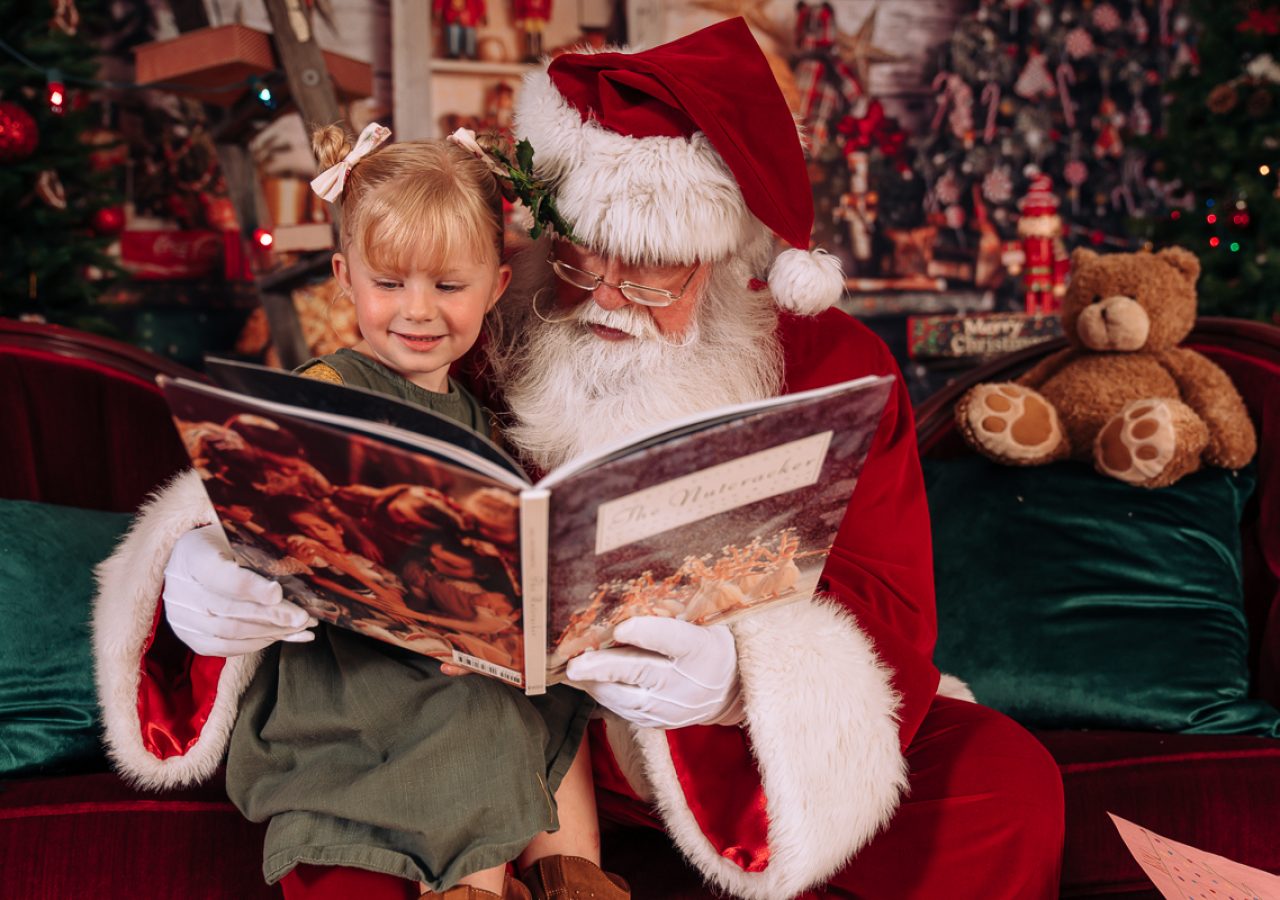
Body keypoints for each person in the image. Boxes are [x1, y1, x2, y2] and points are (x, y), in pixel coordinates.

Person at [93, 19, 1065, 899]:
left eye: (644, 269)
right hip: (496, 726)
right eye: (575, 255)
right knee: (362, 799)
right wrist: (196, 566)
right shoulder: (488, 316)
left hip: (716, 742)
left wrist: (738, 679)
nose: (599, 296)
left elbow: (890, 605)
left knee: (1000, 786)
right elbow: (330, 435)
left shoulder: (829, 364)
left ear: (722, 260)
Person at [102, 122, 626, 900]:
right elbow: (268, 509)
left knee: (555, 697)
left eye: (449, 287)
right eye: (389, 284)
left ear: (497, 284)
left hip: (460, 651)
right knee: (471, 717)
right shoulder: (330, 391)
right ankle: (472, 888)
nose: (418, 311)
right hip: (358, 677)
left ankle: (571, 878)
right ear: (345, 279)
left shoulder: (482, 416)